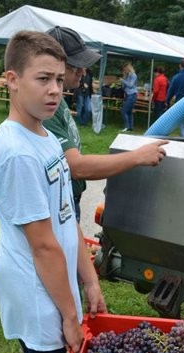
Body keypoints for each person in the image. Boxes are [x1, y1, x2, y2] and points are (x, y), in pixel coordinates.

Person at [0, 30, 107, 353]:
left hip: (57, 287)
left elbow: (66, 215)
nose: (55, 90)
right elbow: (43, 247)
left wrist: (89, 280)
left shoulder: (45, 136)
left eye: (59, 79)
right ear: (12, 80)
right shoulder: (18, 153)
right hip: (38, 294)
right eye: (42, 79)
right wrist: (70, 317)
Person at [44, 27, 167, 222]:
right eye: (76, 66)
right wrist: (137, 157)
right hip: (59, 204)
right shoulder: (45, 109)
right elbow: (76, 167)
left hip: (67, 199)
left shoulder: (56, 102)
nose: (83, 72)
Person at [121, 62, 138, 132]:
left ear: (128, 68)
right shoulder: (127, 76)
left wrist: (123, 80)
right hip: (128, 95)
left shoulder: (133, 75)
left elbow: (130, 85)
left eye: (125, 69)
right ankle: (130, 127)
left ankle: (127, 127)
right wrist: (124, 78)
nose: (124, 71)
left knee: (124, 111)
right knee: (129, 112)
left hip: (132, 95)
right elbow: (124, 87)